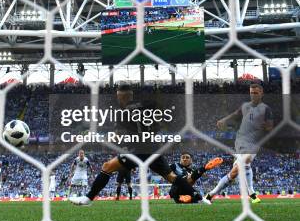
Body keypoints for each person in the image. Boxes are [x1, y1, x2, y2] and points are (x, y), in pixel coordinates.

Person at [70, 85, 210, 206]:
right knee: (172, 177)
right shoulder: (146, 104)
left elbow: (118, 136)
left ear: (123, 97)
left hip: (137, 150)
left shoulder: (123, 112)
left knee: (107, 167)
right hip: (152, 147)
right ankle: (199, 197)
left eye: (119, 97)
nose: (119, 100)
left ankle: (88, 198)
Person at [206, 83, 273, 203]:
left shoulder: (266, 109)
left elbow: (270, 126)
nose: (253, 95)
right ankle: (252, 194)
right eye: (251, 92)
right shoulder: (245, 106)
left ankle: (210, 195)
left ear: (261, 93)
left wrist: (265, 127)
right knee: (245, 161)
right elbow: (236, 114)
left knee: (235, 172)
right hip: (242, 139)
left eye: (256, 93)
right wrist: (224, 120)